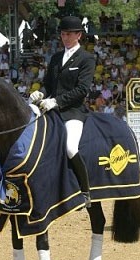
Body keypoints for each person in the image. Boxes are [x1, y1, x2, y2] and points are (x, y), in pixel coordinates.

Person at [30, 16, 95, 207]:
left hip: (73, 111)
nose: (65, 37)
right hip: (51, 109)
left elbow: (82, 90)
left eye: (69, 34)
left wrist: (56, 102)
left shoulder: (86, 58)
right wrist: (39, 94)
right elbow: (48, 85)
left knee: (70, 147)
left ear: (78, 35)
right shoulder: (56, 58)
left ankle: (85, 191)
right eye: (63, 34)